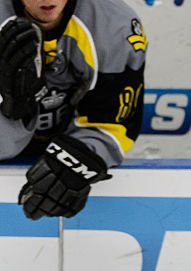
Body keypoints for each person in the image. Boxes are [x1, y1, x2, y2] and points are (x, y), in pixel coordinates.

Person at [0, 0, 146, 219]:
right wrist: (13, 104)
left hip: (66, 137)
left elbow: (113, 124)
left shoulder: (114, 24)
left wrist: (78, 159)